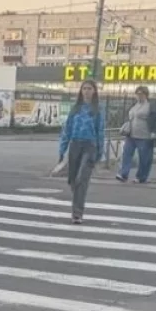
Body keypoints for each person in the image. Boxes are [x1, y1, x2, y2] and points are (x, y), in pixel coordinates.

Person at [57, 80, 105, 224]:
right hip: (75, 145)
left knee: (81, 179)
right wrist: (62, 149)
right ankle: (77, 201)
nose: (86, 91)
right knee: (73, 180)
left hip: (90, 146)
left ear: (94, 91)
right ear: (81, 91)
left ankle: (77, 213)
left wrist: (99, 153)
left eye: (89, 88)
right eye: (84, 88)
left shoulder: (98, 109)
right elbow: (67, 130)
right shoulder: (75, 108)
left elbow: (100, 131)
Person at [115, 85, 156, 184]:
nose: (139, 96)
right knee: (126, 154)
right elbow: (130, 118)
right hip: (131, 135)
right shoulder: (134, 105)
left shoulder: (150, 106)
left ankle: (141, 177)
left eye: (141, 94)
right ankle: (123, 174)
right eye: (137, 94)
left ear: (146, 95)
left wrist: (155, 132)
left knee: (144, 158)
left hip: (145, 136)